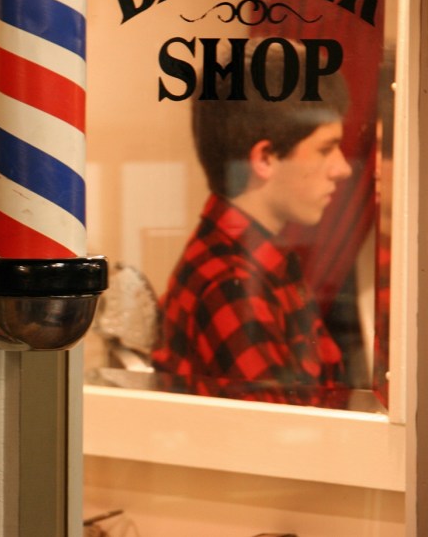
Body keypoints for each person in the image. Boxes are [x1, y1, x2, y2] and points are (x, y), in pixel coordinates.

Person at [151, 43, 354, 407]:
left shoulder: (260, 263)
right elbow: (280, 447)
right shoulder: (232, 285)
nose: (343, 168)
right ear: (264, 158)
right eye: (326, 149)